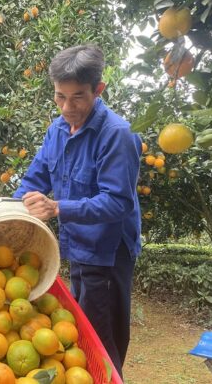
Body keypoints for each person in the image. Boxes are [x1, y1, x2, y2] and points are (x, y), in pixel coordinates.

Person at [13, 44, 142, 378]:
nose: (67, 107)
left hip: (108, 251)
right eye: (60, 97)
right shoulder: (57, 130)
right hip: (77, 248)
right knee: (80, 332)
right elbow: (34, 179)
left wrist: (58, 207)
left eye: (78, 97)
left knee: (103, 341)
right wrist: (9, 214)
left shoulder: (116, 135)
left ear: (98, 90)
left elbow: (118, 202)